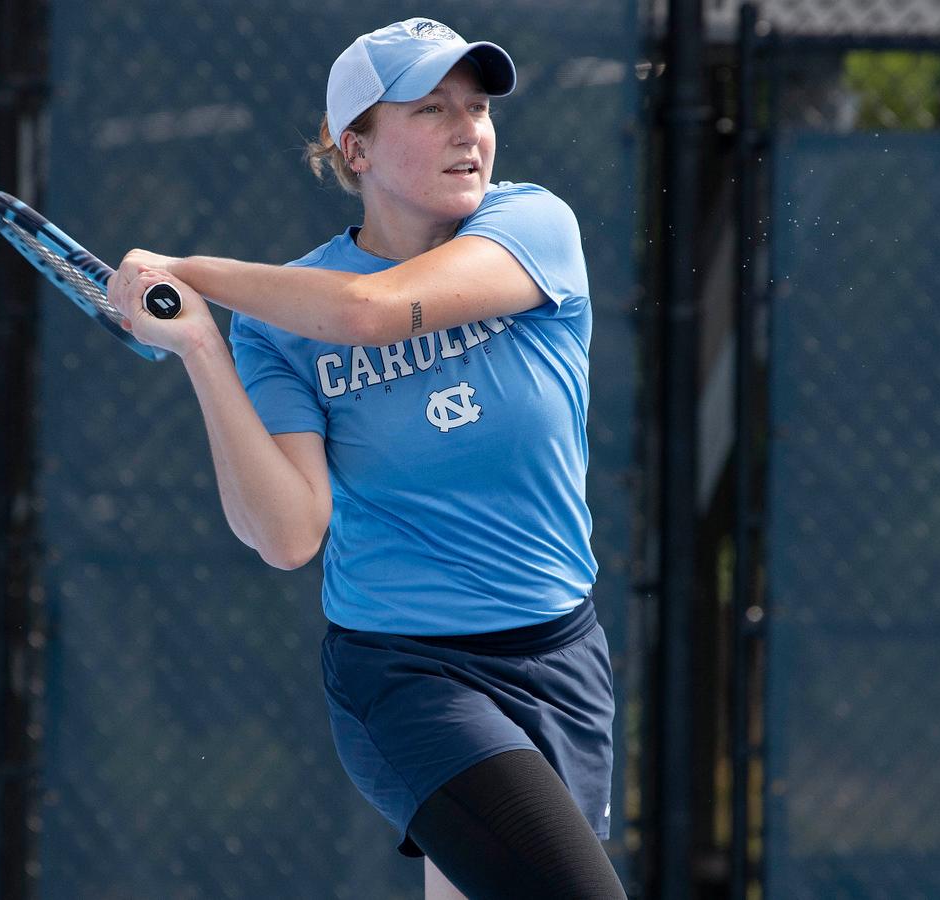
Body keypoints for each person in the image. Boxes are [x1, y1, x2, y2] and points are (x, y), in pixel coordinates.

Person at [104, 17, 625, 900]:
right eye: (431, 108)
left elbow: (368, 313)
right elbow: (289, 534)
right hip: (408, 674)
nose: (470, 128)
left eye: (478, 106)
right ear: (357, 147)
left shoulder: (534, 225)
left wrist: (192, 270)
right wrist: (202, 347)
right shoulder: (277, 324)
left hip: (563, 656)